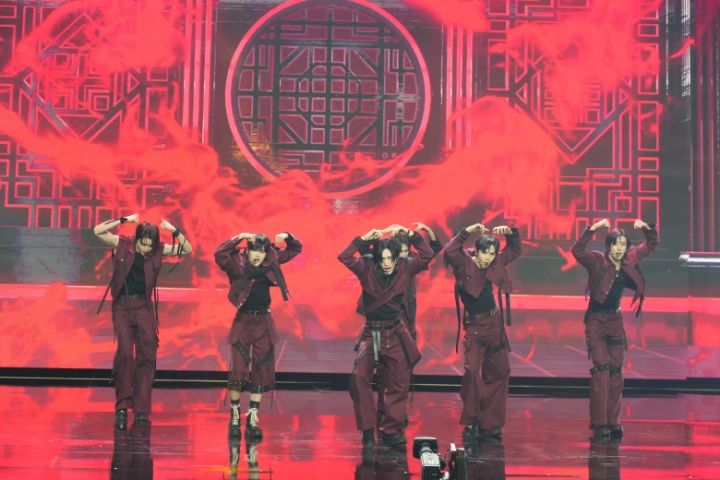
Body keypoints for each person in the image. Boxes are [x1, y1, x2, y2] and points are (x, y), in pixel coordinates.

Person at [94, 213, 192, 430]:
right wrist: (124, 220)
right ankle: (122, 406)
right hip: (122, 306)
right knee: (125, 353)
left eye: (150, 245)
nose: (146, 248)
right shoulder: (122, 244)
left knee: (148, 356)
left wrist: (173, 230)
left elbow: (187, 249)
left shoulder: (158, 250)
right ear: (136, 239)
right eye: (143, 244)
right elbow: (97, 231)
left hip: (144, 308)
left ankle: (141, 409)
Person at [339, 225, 434, 447]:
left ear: (397, 258)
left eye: (391, 258)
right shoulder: (366, 267)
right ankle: (367, 428)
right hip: (372, 333)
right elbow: (344, 256)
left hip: (395, 332)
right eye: (383, 259)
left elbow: (427, 254)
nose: (387, 263)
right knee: (358, 377)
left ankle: (392, 429)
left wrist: (411, 235)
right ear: (377, 259)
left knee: (398, 383)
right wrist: (363, 239)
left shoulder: (406, 267)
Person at [572, 218, 658, 441]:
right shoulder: (597, 261)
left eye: (623, 244)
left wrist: (647, 228)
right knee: (601, 369)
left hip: (615, 320)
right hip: (595, 321)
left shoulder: (630, 259)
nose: (619, 248)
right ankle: (599, 423)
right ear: (608, 246)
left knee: (616, 371)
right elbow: (577, 251)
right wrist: (591, 230)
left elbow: (650, 245)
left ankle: (613, 421)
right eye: (615, 244)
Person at [215, 231, 302, 439]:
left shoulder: (271, 261)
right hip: (243, 322)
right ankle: (235, 414)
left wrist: (287, 236)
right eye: (254, 251)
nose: (257, 255)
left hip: (264, 322)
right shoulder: (237, 263)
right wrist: (239, 237)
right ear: (248, 250)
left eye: (261, 252)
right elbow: (219, 253)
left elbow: (295, 249)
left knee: (261, 369)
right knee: (239, 369)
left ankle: (253, 416)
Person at [444, 223, 521, 442]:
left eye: (492, 253)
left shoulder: (495, 262)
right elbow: (450, 250)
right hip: (475, 328)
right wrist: (466, 231)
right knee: (472, 372)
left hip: (494, 325)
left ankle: (490, 424)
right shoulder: (463, 264)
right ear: (477, 251)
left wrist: (512, 233)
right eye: (485, 252)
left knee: (499, 373)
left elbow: (514, 250)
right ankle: (471, 420)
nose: (488, 257)